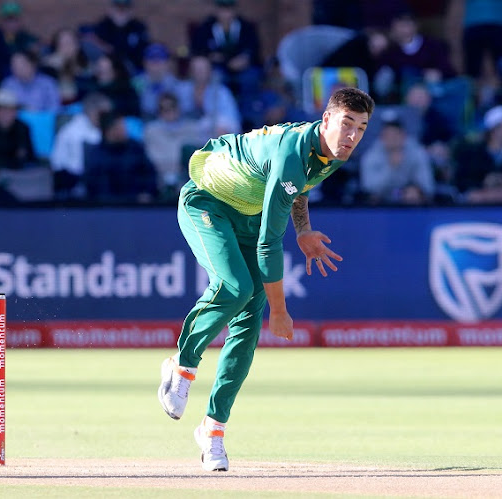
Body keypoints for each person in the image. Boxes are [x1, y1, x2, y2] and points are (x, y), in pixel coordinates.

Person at [157, 87, 374, 471]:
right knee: (236, 288)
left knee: (246, 328)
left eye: (361, 128)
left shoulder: (334, 152)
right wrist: (280, 309)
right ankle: (182, 366)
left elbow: (298, 190)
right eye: (346, 124)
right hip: (207, 200)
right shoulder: (292, 153)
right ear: (325, 121)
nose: (352, 136)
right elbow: (269, 245)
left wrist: (304, 230)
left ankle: (212, 431)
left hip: (250, 213)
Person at [83, 110, 158, 203]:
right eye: (120, 127)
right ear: (109, 131)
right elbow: (96, 189)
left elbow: (150, 175)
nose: (125, 130)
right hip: (108, 208)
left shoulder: (136, 148)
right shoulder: (96, 156)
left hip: (138, 206)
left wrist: (147, 193)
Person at [143, 92, 206, 199]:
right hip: (159, 180)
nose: (169, 111)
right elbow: (152, 158)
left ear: (178, 108)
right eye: (163, 108)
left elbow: (196, 158)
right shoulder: (151, 131)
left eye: (172, 107)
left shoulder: (192, 128)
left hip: (186, 180)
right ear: (159, 111)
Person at [50, 92, 112, 199]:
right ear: (93, 112)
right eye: (105, 114)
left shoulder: (105, 129)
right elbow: (71, 166)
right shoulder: (72, 132)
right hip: (78, 183)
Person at [359, 117, 434, 204]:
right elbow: (368, 187)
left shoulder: (417, 153)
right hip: (380, 202)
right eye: (388, 135)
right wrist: (391, 168)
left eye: (396, 134)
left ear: (404, 136)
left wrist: (417, 190)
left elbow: (427, 186)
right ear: (382, 137)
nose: (392, 139)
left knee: (414, 195)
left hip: (409, 201)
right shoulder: (371, 156)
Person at [92, 0, 149, 75]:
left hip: (134, 73)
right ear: (111, 9)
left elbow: (142, 52)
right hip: (109, 74)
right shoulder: (101, 27)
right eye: (118, 8)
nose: (121, 11)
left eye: (125, 8)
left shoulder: (139, 27)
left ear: (131, 10)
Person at [40, 27, 94, 105]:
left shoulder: (87, 66)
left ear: (78, 45)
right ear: (56, 47)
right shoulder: (47, 66)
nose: (67, 48)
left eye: (70, 43)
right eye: (62, 44)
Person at [131, 42, 181, 120]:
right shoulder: (136, 83)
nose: (156, 65)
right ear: (145, 63)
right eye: (152, 60)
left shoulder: (176, 83)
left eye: (160, 60)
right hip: (144, 120)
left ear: (167, 63)